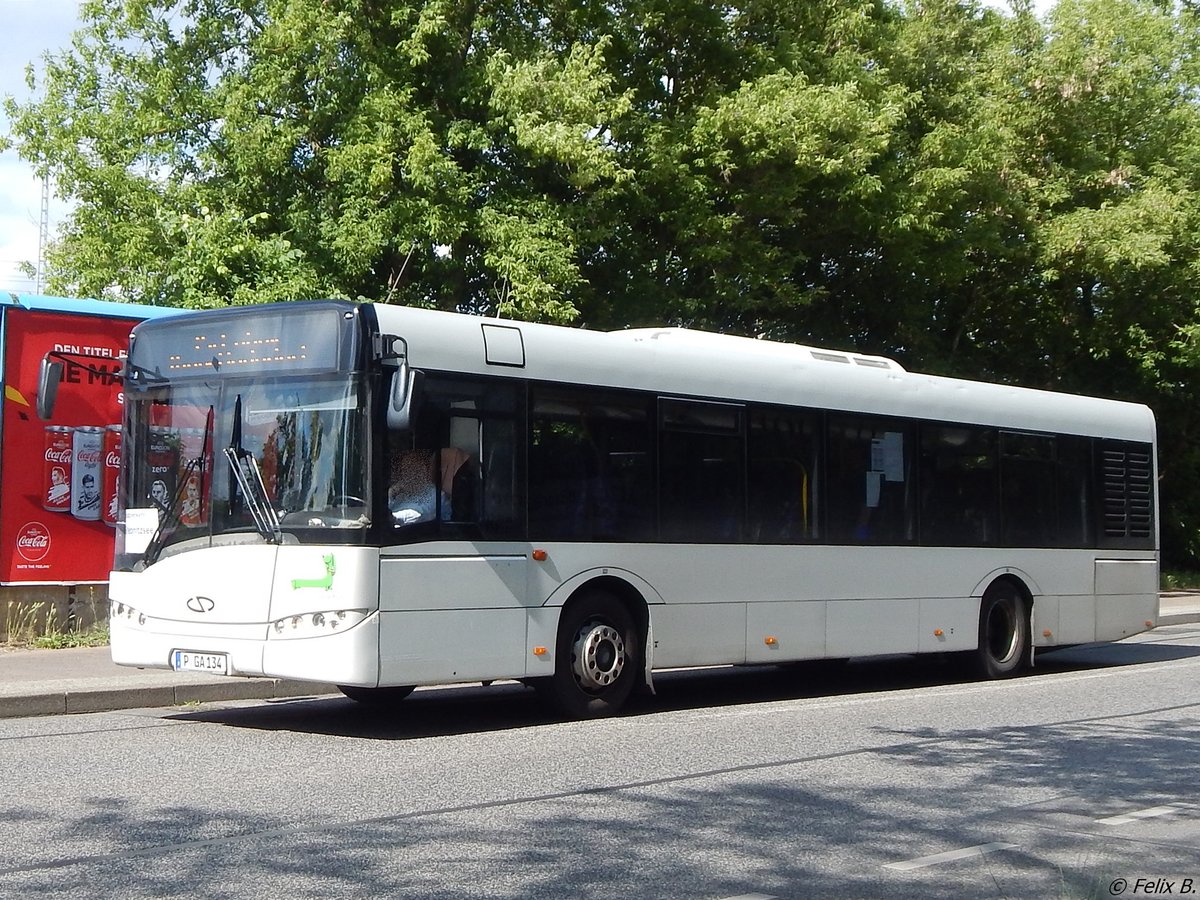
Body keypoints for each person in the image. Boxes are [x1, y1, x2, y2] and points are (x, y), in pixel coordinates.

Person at [389, 448, 470, 525]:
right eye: (405, 469)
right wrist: (391, 493)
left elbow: (421, 516)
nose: (409, 473)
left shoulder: (435, 494)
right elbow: (387, 509)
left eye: (413, 468)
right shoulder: (401, 493)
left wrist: (393, 518)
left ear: (424, 470)